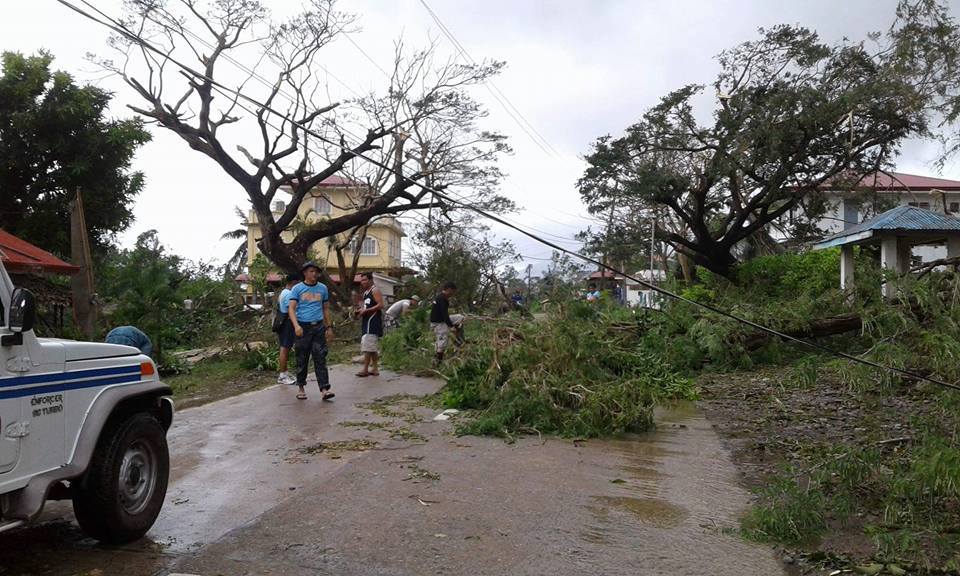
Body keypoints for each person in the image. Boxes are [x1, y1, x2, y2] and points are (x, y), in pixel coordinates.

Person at [287, 261, 335, 401]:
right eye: (311, 271)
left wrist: (329, 327)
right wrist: (296, 326)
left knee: (320, 357)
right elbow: (291, 309)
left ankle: (324, 389)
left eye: (316, 272)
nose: (314, 274)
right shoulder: (297, 289)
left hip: (318, 327)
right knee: (302, 358)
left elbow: (325, 309)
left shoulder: (322, 288)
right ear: (305, 273)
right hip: (303, 327)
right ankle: (301, 387)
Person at [356, 272, 384, 377]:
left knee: (367, 346)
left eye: (364, 280)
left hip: (373, 321)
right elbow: (365, 306)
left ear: (370, 280)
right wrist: (360, 311)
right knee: (372, 347)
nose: (362, 282)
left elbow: (380, 305)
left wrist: (367, 311)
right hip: (366, 321)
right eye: (361, 280)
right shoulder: (365, 293)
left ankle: (365, 369)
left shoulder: (375, 290)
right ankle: (375, 368)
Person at [430, 282, 464, 366]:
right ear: (449, 290)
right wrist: (451, 326)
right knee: (441, 343)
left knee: (460, 317)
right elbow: (444, 314)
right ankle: (437, 362)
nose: (453, 294)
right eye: (453, 292)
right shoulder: (442, 299)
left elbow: (445, 314)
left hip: (441, 319)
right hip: (439, 323)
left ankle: (458, 340)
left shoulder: (441, 297)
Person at [276, 273, 299, 385]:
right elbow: (292, 311)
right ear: (294, 282)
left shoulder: (284, 292)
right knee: (284, 348)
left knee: (286, 348)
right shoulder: (289, 294)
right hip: (287, 324)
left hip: (285, 323)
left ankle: (285, 372)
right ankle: (282, 376)